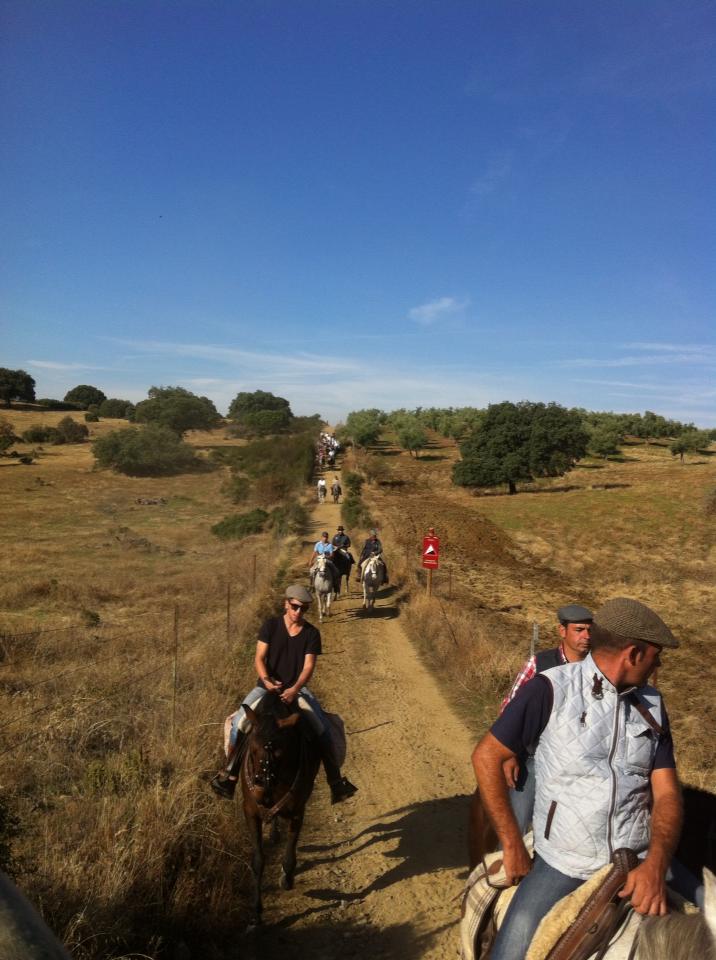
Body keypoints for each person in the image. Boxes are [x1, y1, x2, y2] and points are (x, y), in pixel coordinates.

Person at [472, 598, 686, 960]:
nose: (659, 664)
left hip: (641, 858)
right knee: (514, 944)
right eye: (656, 655)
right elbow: (486, 756)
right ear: (633, 654)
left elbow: (666, 793)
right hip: (567, 862)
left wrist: (656, 864)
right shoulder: (550, 689)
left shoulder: (653, 704)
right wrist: (512, 844)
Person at [210, 584, 357, 804]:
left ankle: (335, 782)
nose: (298, 612)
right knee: (239, 722)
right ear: (286, 604)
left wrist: (295, 688)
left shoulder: (311, 633)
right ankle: (230, 776)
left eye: (304, 609)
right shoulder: (270, 626)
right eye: (295, 607)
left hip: (297, 689)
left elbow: (308, 667)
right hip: (265, 686)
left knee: (322, 727)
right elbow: (259, 658)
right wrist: (267, 681)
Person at [499, 604, 593, 834]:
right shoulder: (539, 664)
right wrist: (509, 754)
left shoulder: (599, 669)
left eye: (590, 630)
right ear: (562, 631)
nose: (587, 636)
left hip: (583, 761)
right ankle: (506, 864)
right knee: (517, 825)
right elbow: (510, 709)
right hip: (536, 757)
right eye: (579, 630)